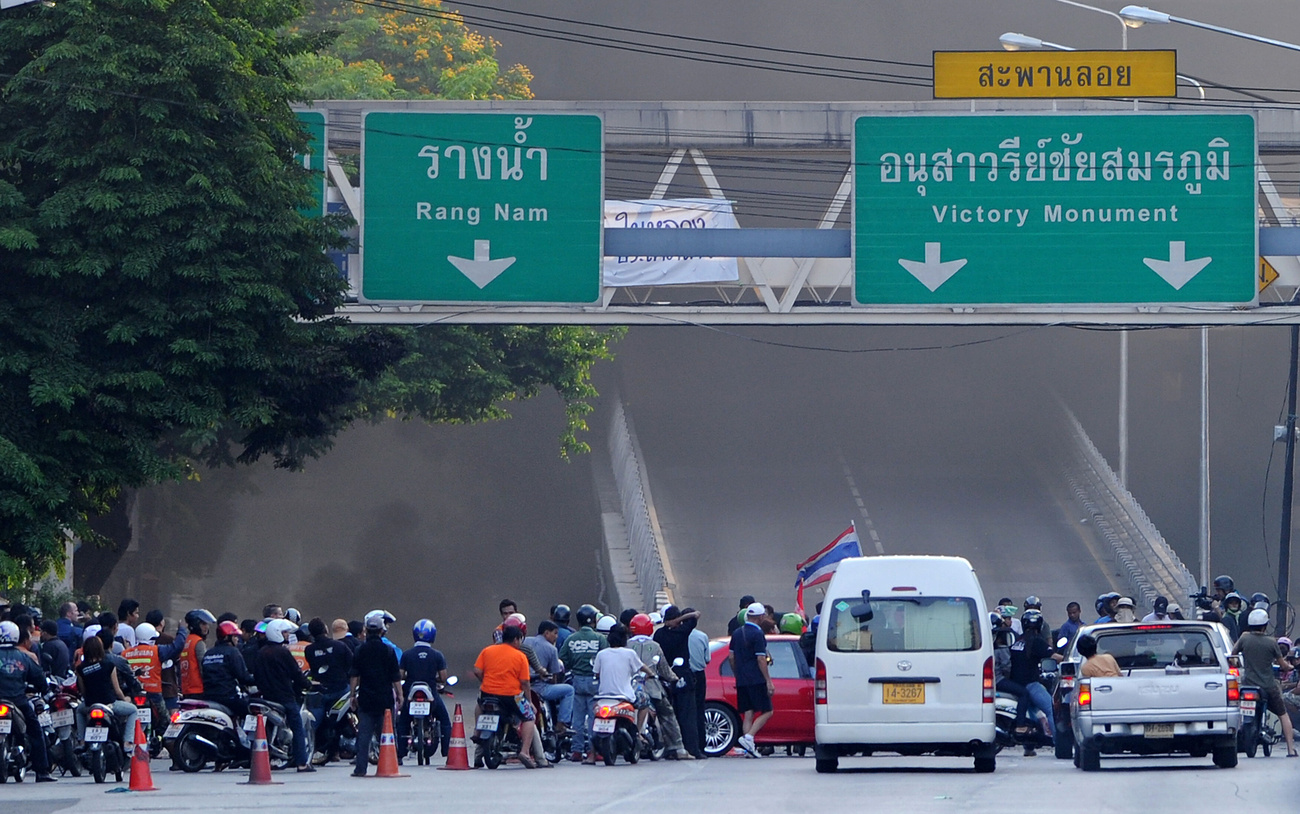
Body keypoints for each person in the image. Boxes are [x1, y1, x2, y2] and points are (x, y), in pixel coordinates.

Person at [473, 623, 545, 768]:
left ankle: (477, 731)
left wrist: (486, 681)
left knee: (479, 703)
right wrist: (530, 702)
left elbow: (477, 670)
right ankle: (525, 752)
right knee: (529, 716)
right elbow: (525, 682)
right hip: (511, 697)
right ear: (516, 640)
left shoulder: (487, 651)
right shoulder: (520, 656)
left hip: (488, 694)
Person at [1232, 608, 1297, 757]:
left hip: (1248, 686)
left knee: (1238, 711)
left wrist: (1237, 663)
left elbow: (1232, 654)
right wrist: (1290, 666)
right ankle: (1290, 749)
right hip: (1268, 686)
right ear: (1265, 625)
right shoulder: (1271, 642)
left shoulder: (1244, 638)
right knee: (1283, 714)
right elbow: (1283, 665)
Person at [628, 614, 692, 760]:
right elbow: (664, 669)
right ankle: (678, 749)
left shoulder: (627, 645)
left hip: (629, 687)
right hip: (652, 687)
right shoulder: (654, 646)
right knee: (667, 714)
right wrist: (674, 678)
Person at [256, 619, 314, 772]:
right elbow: (296, 673)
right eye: (285, 632)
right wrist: (307, 684)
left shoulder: (261, 652)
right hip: (285, 697)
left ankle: (265, 760)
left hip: (266, 698)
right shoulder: (283, 652)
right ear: (277, 633)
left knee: (265, 729)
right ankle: (302, 762)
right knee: (298, 727)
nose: (288, 635)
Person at [0, 621, 55, 782]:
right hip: (18, 701)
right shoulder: (24, 657)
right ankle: (42, 771)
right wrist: (45, 690)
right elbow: (39, 679)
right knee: (35, 731)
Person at [350, 613, 403, 777]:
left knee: (364, 735)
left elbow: (354, 675)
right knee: (387, 733)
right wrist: (400, 695)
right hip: (385, 698)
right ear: (382, 631)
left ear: (366, 630)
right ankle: (392, 764)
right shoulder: (388, 650)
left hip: (366, 697)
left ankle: (360, 769)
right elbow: (395, 676)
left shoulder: (360, 650)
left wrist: (352, 695)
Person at [1007, 610, 1062, 756]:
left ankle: (1029, 747)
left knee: (1031, 715)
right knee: (1051, 709)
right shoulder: (1036, 641)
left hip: (1017, 685)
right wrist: (1069, 659)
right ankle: (1059, 744)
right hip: (1031, 684)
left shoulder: (1018, 641)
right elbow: (1054, 657)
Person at [558, 603, 607, 763]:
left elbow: (562, 661)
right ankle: (595, 750)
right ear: (593, 621)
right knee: (594, 718)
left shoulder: (572, 639)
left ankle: (576, 751)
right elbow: (606, 659)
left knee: (577, 719)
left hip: (577, 681)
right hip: (595, 682)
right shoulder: (600, 638)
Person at [397, 618, 450, 760]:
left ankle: (400, 753)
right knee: (444, 720)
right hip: (431, 692)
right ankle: (447, 752)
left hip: (410, 693)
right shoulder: (437, 655)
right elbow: (443, 677)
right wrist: (435, 679)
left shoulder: (407, 654)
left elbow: (400, 675)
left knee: (402, 722)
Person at [728, 602, 773, 758]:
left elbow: (731, 657)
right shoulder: (758, 634)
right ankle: (749, 737)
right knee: (768, 710)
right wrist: (768, 680)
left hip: (742, 679)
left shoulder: (737, 633)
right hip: (756, 678)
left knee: (749, 712)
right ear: (760, 617)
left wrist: (737, 674)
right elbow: (761, 658)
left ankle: (748, 748)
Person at [525, 620, 574, 741]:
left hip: (521, 687)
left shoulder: (525, 641)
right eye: (555, 633)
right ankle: (561, 724)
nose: (556, 637)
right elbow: (554, 676)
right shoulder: (551, 649)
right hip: (540, 689)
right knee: (569, 690)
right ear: (546, 633)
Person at [201, 620, 256, 721]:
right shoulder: (232, 652)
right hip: (227, 696)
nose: (237, 640)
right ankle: (244, 735)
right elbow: (243, 677)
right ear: (227, 637)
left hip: (208, 696)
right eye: (234, 636)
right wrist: (258, 679)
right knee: (252, 709)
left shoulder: (209, 653)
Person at [684, 608, 711, 758]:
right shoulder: (702, 636)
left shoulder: (679, 635)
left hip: (683, 674)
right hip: (699, 675)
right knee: (699, 710)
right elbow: (707, 659)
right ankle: (701, 745)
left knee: (685, 711)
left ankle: (687, 744)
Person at [179, 609, 216, 698]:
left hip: (186, 689)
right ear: (195, 625)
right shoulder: (198, 642)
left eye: (207, 624)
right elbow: (203, 666)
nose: (206, 627)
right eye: (203, 624)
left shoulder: (186, 641)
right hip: (198, 689)